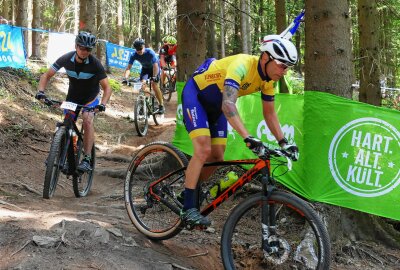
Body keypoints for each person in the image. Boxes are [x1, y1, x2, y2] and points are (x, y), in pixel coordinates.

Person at [180, 35, 299, 226]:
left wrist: (284, 142)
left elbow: (269, 114)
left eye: (288, 67)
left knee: (218, 156)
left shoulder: (268, 80)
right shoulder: (242, 65)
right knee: (203, 149)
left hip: (216, 106)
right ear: (266, 57)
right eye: (282, 65)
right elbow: (228, 104)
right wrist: (247, 137)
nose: (284, 71)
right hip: (196, 96)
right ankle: (188, 208)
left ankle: (188, 190)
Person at [35, 31, 112, 172]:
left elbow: (107, 88)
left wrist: (103, 104)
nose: (84, 51)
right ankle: (59, 154)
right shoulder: (66, 58)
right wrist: (41, 92)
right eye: (82, 48)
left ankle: (87, 158)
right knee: (66, 122)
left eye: (88, 49)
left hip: (91, 98)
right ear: (76, 46)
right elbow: (46, 75)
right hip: (73, 97)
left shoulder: (95, 64)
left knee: (87, 119)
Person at [123, 38, 164, 114]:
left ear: (144, 46)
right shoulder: (134, 55)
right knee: (143, 85)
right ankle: (145, 104)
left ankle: (161, 105)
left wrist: (154, 77)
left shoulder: (150, 52)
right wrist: (125, 78)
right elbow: (128, 68)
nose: (139, 51)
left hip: (155, 68)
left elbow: (155, 66)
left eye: (140, 48)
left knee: (154, 85)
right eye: (137, 49)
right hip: (145, 69)